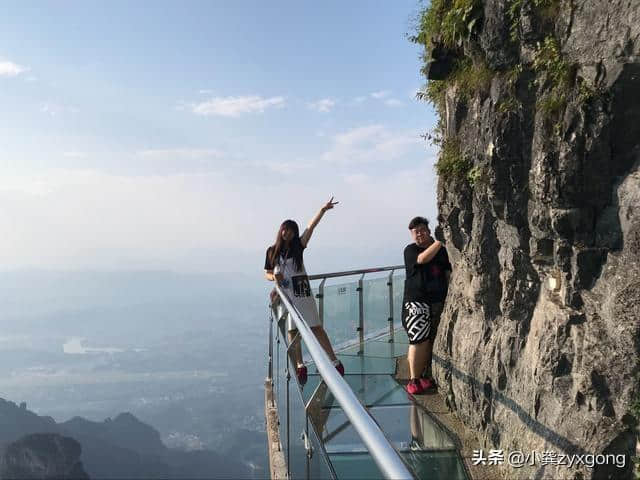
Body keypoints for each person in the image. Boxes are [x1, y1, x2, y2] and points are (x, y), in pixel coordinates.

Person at [264, 197, 344, 385]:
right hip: (285, 294)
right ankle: (300, 365)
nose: (287, 233)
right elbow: (266, 273)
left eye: (291, 231)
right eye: (285, 229)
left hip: (301, 291)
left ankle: (334, 360)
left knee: (315, 326)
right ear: (280, 230)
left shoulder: (298, 247)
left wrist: (322, 210)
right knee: (293, 330)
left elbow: (311, 227)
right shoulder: (271, 251)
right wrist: (274, 278)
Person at [402, 216, 451, 395]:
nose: (419, 234)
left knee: (429, 340)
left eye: (422, 230)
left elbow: (447, 272)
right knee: (418, 340)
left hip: (437, 300)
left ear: (429, 230)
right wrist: (440, 241)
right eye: (416, 232)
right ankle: (413, 379)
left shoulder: (442, 251)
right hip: (416, 300)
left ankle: (423, 376)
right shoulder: (410, 250)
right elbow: (422, 259)